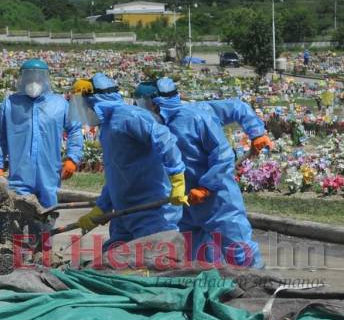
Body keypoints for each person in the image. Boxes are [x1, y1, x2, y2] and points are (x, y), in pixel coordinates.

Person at [134, 78, 272, 268]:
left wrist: (257, 132)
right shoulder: (158, 127)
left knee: (237, 248)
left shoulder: (197, 116)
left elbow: (222, 155)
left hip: (217, 197)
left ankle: (258, 286)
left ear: (157, 103)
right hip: (186, 199)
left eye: (145, 104)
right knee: (194, 252)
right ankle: (209, 286)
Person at [69, 73, 188, 250]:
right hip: (124, 212)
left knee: (152, 264)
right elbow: (118, 173)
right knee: (114, 262)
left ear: (96, 101)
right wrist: (102, 207)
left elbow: (164, 139)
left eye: (86, 106)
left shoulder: (128, 116)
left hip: (152, 210)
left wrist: (177, 176)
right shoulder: (107, 127)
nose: (85, 112)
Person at [0, 59, 83, 208]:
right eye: (29, 77)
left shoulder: (60, 104)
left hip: (50, 175)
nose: (33, 82)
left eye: (38, 77)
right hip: (19, 176)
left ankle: (45, 231)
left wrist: (72, 158)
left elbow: (75, 130)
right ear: (22, 79)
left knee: (47, 215)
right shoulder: (10, 105)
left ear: (45, 79)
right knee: (18, 213)